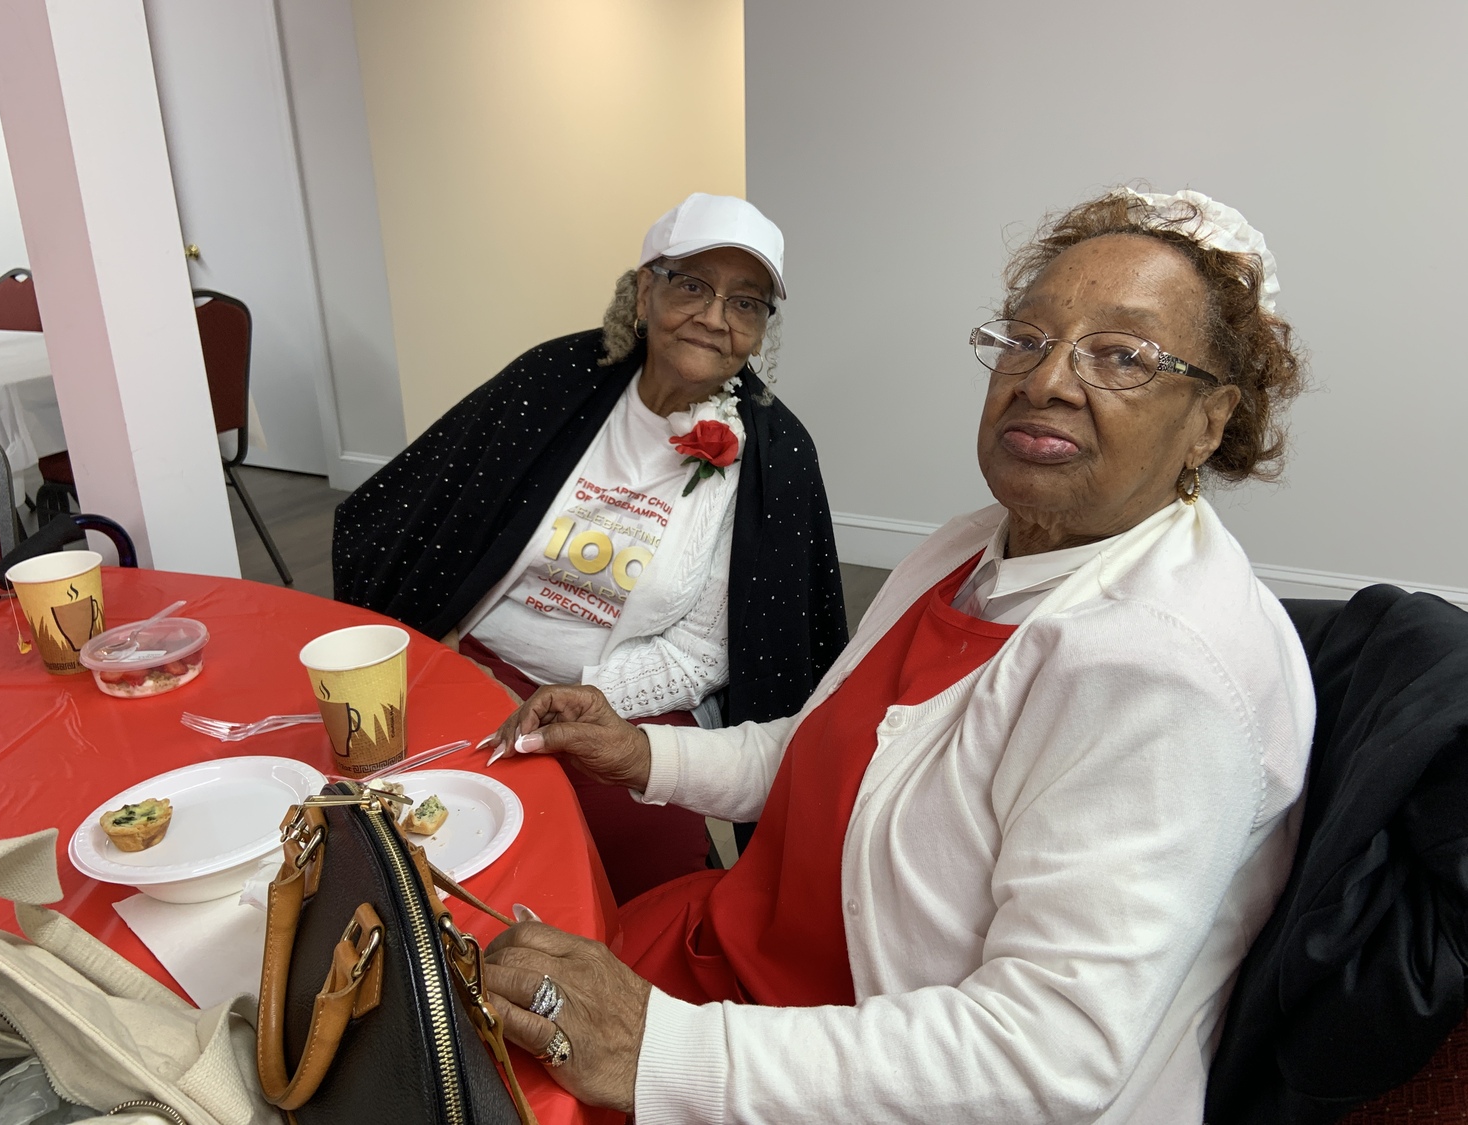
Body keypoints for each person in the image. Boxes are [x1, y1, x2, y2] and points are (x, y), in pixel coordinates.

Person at [475, 187, 1316, 1123]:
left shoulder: (1164, 673)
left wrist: (657, 1046)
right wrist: (646, 753)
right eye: (1027, 338)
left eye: (1121, 355)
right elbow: (839, 749)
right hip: (732, 960)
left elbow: (1046, 1058)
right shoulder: (973, 544)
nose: (1046, 380)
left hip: (831, 1067)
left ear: (1211, 419)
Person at [333, 193, 850, 902]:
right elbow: (434, 504)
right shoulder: (553, 383)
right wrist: (439, 641)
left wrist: (581, 698)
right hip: (479, 667)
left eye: (746, 302)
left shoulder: (773, 456)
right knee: (414, 850)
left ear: (760, 331)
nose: (714, 316)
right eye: (692, 285)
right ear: (644, 290)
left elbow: (704, 655)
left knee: (638, 887)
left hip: (632, 705)